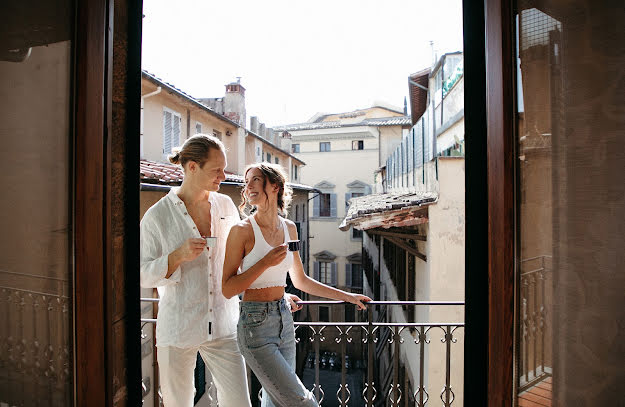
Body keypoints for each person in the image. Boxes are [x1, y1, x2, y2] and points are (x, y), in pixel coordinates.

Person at [140, 135, 301, 407]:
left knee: (239, 402)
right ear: (192, 167)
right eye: (217, 170)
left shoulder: (225, 206)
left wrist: (270, 294)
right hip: (179, 328)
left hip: (225, 324)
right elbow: (143, 274)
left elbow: (242, 261)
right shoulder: (158, 216)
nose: (224, 176)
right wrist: (177, 257)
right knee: (178, 403)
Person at [222, 163, 371, 407]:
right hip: (254, 326)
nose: (247, 187)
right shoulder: (241, 230)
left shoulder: (289, 228)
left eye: (255, 180)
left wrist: (347, 296)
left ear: (275, 186)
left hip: (284, 321)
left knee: (276, 401)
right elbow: (228, 288)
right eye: (246, 182)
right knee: (301, 401)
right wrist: (264, 262)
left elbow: (300, 280)